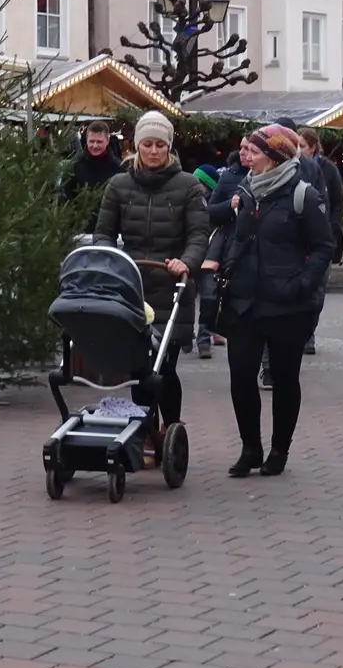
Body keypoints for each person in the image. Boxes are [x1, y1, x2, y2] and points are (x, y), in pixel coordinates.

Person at [218, 125, 334, 477]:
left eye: (254, 151)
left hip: (287, 305)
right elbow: (235, 237)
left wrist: (302, 285)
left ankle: (279, 450)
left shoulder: (304, 195)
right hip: (245, 301)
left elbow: (324, 246)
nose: (246, 156)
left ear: (275, 156)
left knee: (284, 379)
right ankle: (250, 448)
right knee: (241, 376)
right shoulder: (247, 191)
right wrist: (226, 268)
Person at [92, 111, 210, 430]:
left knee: (164, 366)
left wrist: (187, 261)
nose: (154, 151)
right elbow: (103, 232)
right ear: (137, 146)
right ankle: (145, 430)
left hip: (172, 288)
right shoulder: (118, 185)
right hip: (132, 289)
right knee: (138, 368)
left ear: (169, 147)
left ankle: (171, 428)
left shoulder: (188, 186)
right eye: (148, 144)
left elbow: (199, 234)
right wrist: (111, 261)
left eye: (160, 145)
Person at [297, 128, 343, 354]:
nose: (299, 150)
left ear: (314, 147)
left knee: (317, 289)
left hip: (322, 237)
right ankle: (298, 331)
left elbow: (338, 202)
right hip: (299, 238)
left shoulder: (328, 168)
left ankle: (309, 333)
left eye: (303, 146)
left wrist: (332, 226)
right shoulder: (294, 167)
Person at [62, 120, 123, 233]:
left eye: (99, 142)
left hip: (111, 230)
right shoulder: (74, 167)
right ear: (86, 140)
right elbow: (65, 199)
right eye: (92, 141)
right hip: (80, 230)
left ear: (107, 140)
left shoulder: (119, 169)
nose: (95, 146)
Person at [191, 163, 226, 358]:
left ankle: (204, 339)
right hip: (190, 254)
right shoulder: (188, 200)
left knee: (209, 299)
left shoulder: (215, 206)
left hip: (209, 258)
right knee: (187, 296)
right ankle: (187, 336)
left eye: (199, 181)